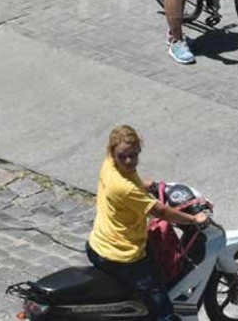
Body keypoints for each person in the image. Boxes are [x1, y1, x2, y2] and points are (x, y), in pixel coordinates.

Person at [87, 125, 208, 321]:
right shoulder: (125, 188)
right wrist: (194, 219)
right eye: (123, 156)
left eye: (133, 156)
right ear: (112, 152)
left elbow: (126, 186)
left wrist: (142, 184)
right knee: (161, 305)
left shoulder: (109, 165)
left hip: (97, 243)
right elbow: (160, 210)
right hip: (122, 254)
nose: (129, 161)